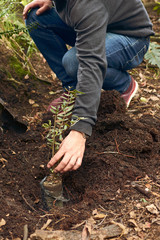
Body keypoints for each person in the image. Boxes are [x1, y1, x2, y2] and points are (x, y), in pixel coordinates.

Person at [23, 0, 154, 173]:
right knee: (36, 17)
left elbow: (91, 61)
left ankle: (123, 84)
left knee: (74, 62)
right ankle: (72, 89)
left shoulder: (88, 4)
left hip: (130, 36)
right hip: (97, 23)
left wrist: (80, 130)